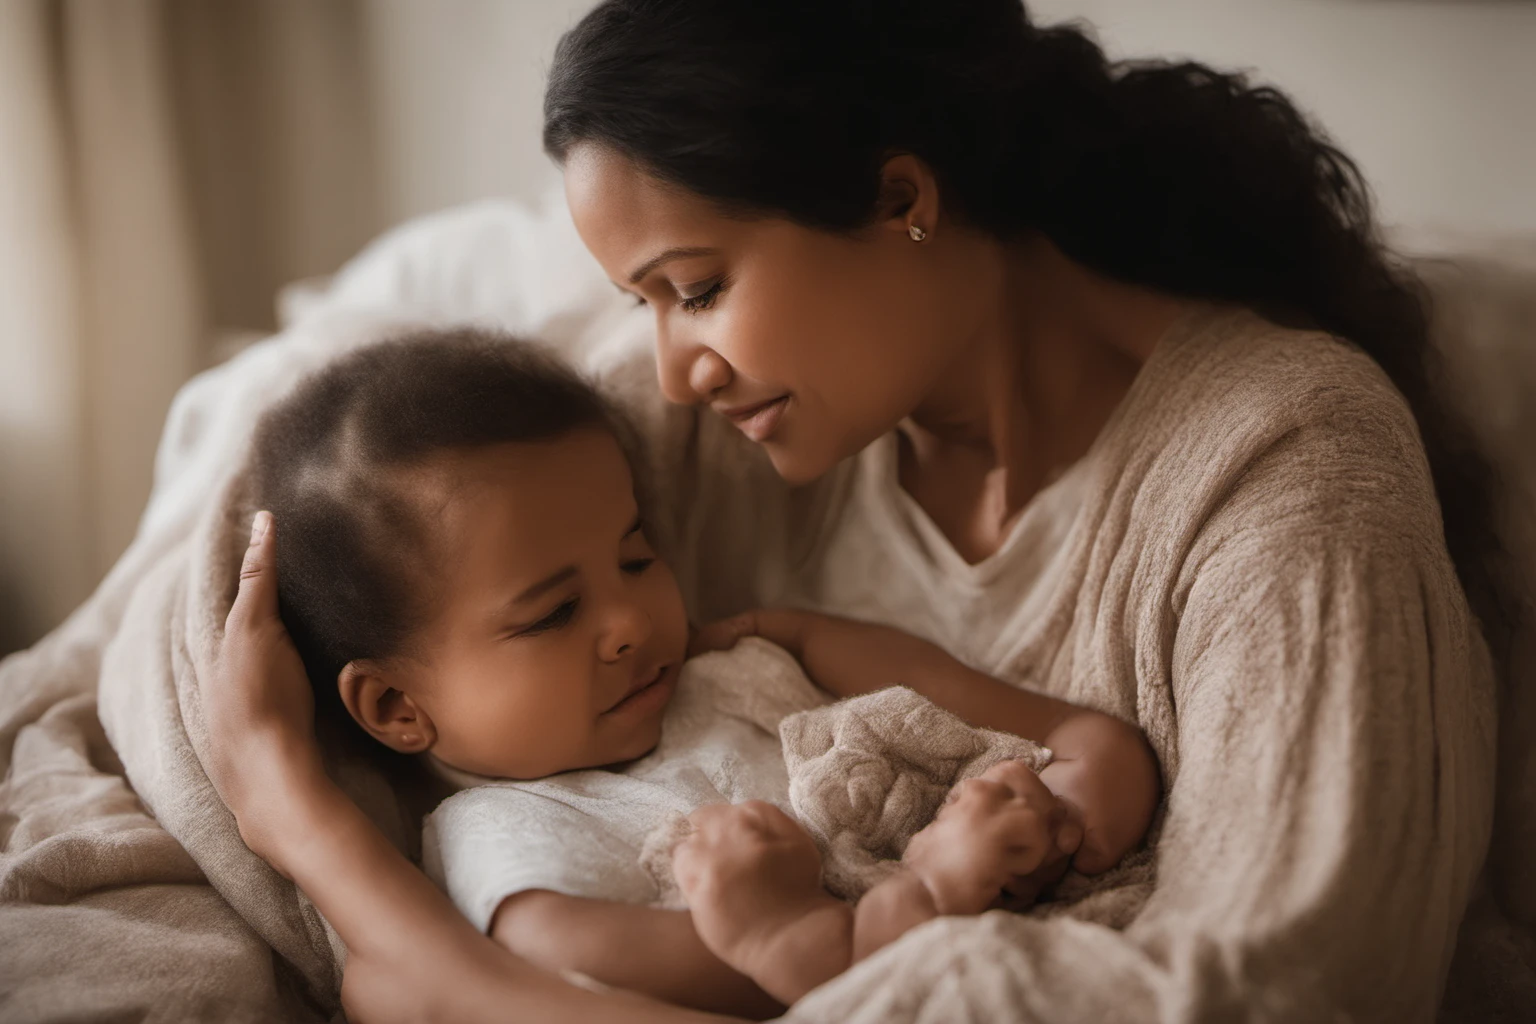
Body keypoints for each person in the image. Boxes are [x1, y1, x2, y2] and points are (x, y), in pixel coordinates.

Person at [200, 1, 1505, 1021]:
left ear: (900, 201)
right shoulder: (712, 430)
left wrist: (409, 938)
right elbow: (315, 515)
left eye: (696, 289)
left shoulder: (1278, 460)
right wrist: (290, 812)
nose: (672, 373)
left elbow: (1289, 987)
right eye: (640, 303)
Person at [244, 330, 1156, 1018]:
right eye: (554, 613)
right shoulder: (507, 836)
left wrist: (1072, 789)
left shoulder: (734, 670)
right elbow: (600, 977)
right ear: (397, 706)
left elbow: (989, 708)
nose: (631, 622)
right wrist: (884, 906)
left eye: (636, 558)